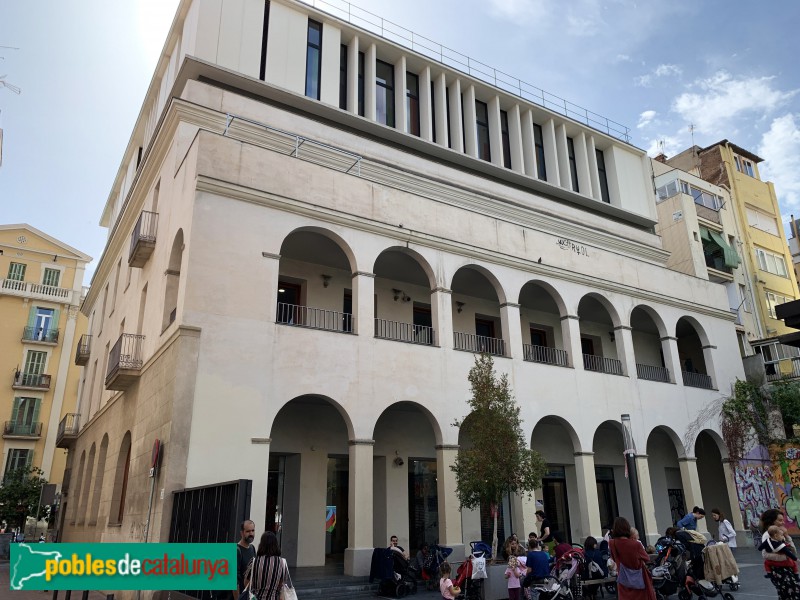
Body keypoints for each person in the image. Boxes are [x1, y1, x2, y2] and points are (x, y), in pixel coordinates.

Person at [609, 517, 656, 600]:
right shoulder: (636, 544)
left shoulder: (612, 543)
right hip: (639, 578)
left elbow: (613, 558)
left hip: (623, 579)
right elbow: (646, 558)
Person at [760, 508, 800, 599]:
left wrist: (786, 536)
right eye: (780, 520)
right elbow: (765, 554)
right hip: (778, 569)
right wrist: (786, 557)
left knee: (789, 593)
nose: (783, 523)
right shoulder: (768, 535)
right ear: (772, 521)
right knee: (790, 593)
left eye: (783, 520)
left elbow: (793, 551)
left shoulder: (780, 533)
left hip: (788, 567)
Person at [244, 531, 288, 600]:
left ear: (261, 544)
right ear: (276, 544)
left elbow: (246, 583)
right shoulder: (283, 563)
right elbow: (281, 584)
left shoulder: (254, 561)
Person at [235, 520, 257, 599]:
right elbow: (234, 581)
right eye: (248, 531)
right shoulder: (236, 550)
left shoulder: (252, 548)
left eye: (253, 530)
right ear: (242, 533)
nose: (251, 533)